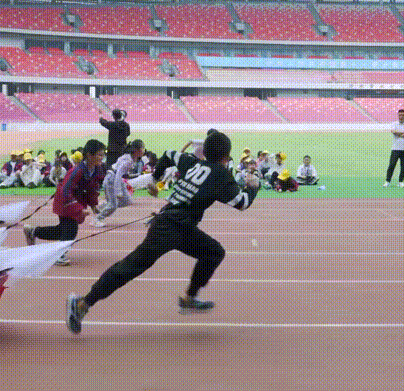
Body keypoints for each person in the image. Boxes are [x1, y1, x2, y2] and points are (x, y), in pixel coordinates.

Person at [65, 131, 260, 334]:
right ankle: (82, 304)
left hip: (178, 225)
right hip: (171, 227)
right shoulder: (220, 174)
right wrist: (253, 186)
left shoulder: (192, 162)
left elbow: (168, 154)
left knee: (214, 252)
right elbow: (242, 202)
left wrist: (155, 177)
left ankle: (189, 298)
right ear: (226, 156)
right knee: (131, 266)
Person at [23, 139, 106, 266]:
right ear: (89, 155)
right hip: (65, 201)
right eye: (99, 155)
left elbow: (93, 188)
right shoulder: (77, 171)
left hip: (75, 201)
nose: (102, 157)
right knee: (70, 230)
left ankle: (33, 232)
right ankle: (59, 254)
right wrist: (78, 209)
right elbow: (66, 190)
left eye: (103, 154)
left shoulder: (97, 170)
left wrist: (93, 205)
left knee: (62, 230)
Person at [92, 139, 146, 227]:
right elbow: (118, 174)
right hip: (111, 180)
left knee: (128, 201)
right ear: (137, 150)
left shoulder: (132, 158)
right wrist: (118, 191)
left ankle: (105, 205)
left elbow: (123, 174)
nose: (144, 150)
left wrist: (137, 175)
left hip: (117, 180)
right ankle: (98, 219)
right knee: (113, 205)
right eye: (142, 148)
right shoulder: (128, 160)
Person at [384, 109, 404, 188]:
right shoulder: (394, 124)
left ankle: (401, 182)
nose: (401, 116)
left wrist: (399, 133)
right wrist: (403, 133)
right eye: (400, 115)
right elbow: (393, 131)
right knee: (391, 165)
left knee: (403, 166)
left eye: (403, 115)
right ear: (398, 115)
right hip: (395, 148)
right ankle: (387, 181)